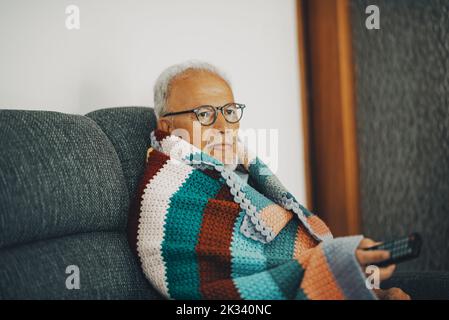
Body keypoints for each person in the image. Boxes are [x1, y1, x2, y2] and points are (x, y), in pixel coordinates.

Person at [127, 60, 410, 300]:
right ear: (167, 126)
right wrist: (338, 263)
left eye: (228, 111)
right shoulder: (167, 195)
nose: (224, 127)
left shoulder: (239, 174)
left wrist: (368, 290)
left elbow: (284, 258)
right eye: (204, 114)